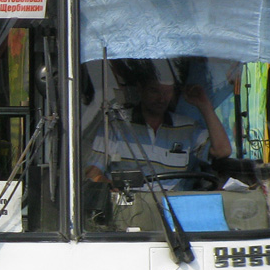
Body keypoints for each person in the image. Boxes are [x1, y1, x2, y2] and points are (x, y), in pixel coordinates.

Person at [86, 61, 231, 188]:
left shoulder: (187, 128)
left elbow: (222, 151)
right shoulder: (116, 124)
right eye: (154, 91)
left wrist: (204, 105)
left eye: (167, 92)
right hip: (128, 211)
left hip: (173, 209)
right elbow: (93, 174)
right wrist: (112, 188)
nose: (161, 99)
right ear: (140, 89)